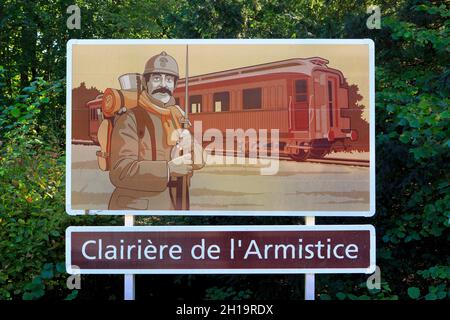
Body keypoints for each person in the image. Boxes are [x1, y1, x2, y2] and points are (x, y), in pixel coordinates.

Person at [108, 51, 204, 210]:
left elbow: (199, 162)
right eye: (157, 78)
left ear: (174, 85)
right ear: (146, 82)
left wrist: (192, 142)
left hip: (175, 206)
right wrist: (169, 169)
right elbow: (120, 171)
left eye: (169, 79)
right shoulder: (130, 119)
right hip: (137, 208)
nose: (163, 85)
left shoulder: (177, 116)